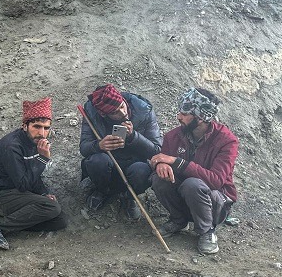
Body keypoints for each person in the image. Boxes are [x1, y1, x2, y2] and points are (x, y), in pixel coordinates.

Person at [150, 87, 238, 255]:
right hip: (186, 196)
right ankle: (178, 220)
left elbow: (216, 180)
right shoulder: (172, 136)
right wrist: (160, 165)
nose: (179, 117)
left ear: (201, 117)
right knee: (159, 179)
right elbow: (160, 159)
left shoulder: (227, 141)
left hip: (216, 202)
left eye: (184, 113)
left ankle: (207, 230)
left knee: (193, 184)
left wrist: (177, 162)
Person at [0, 97, 68, 250]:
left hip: (19, 193)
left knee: (59, 220)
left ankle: (6, 220)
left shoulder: (33, 142)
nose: (42, 133)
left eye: (46, 128)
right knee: (52, 208)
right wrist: (43, 159)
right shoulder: (12, 146)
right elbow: (23, 183)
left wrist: (43, 193)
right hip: (1, 194)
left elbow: (32, 174)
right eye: (37, 127)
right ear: (25, 126)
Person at [79, 84, 162, 219]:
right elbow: (84, 147)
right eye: (115, 112)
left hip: (134, 162)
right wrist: (99, 145)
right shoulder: (91, 112)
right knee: (96, 161)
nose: (123, 113)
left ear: (123, 100)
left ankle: (130, 196)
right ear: (103, 114)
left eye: (122, 106)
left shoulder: (143, 110)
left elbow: (157, 150)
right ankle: (103, 190)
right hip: (108, 160)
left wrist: (134, 137)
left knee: (142, 171)